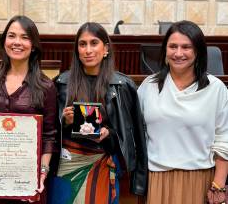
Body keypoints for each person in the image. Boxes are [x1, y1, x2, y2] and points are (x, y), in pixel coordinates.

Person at [49, 22, 147, 204]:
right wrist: (65, 122)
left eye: (94, 43)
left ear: (106, 48)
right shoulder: (61, 84)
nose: (88, 50)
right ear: (77, 49)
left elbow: (135, 137)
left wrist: (110, 134)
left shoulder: (123, 86)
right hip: (66, 167)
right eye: (82, 44)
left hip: (103, 165)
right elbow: (49, 134)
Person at [137, 20, 228, 204]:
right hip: (156, 181)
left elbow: (223, 140)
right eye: (173, 46)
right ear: (165, 51)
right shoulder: (149, 85)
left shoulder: (216, 89)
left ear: (198, 51)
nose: (178, 53)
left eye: (186, 47)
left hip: (199, 180)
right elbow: (134, 130)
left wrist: (218, 185)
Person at [0, 15, 57, 204]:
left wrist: (42, 174)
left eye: (25, 37)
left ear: (33, 45)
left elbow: (50, 136)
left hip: (27, 181)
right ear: (4, 42)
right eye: (12, 36)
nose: (17, 42)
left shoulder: (46, 86)